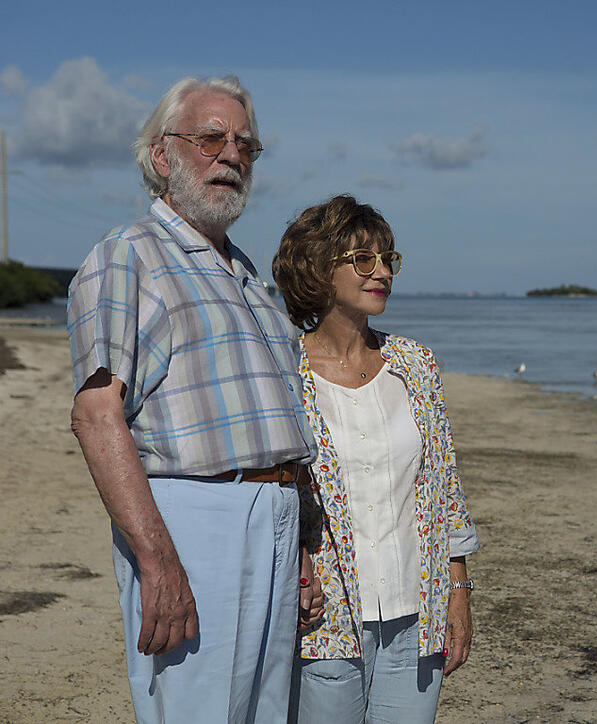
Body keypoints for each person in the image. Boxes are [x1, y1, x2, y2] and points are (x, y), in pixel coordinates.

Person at [67, 76, 317, 723]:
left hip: (272, 518)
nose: (232, 155)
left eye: (245, 145)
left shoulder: (246, 274)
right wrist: (158, 561)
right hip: (195, 521)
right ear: (161, 155)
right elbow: (97, 415)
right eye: (211, 139)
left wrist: (298, 542)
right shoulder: (129, 255)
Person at [273, 195, 480, 723]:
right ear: (318, 266)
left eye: (388, 259)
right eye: (363, 259)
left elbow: (445, 488)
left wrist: (458, 590)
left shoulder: (415, 364)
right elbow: (274, 491)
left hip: (418, 616)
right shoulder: (282, 371)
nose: (382, 272)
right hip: (323, 619)